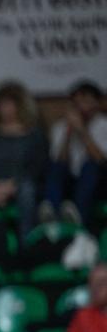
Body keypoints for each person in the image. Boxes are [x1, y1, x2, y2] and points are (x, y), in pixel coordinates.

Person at [0, 81, 47, 237]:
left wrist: (10, 186)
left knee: (27, 191)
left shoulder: (34, 135)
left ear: (21, 106)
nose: (4, 109)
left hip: (20, 183)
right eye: (1, 105)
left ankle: (27, 243)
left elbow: (37, 168)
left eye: (8, 104)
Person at [42, 81, 107, 226]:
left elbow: (101, 161)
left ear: (97, 104)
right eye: (77, 103)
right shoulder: (60, 126)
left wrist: (82, 131)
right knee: (55, 167)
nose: (82, 107)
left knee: (90, 167)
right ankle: (51, 213)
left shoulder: (104, 125)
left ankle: (79, 218)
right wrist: (68, 133)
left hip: (99, 181)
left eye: (87, 102)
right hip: (70, 180)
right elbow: (59, 161)